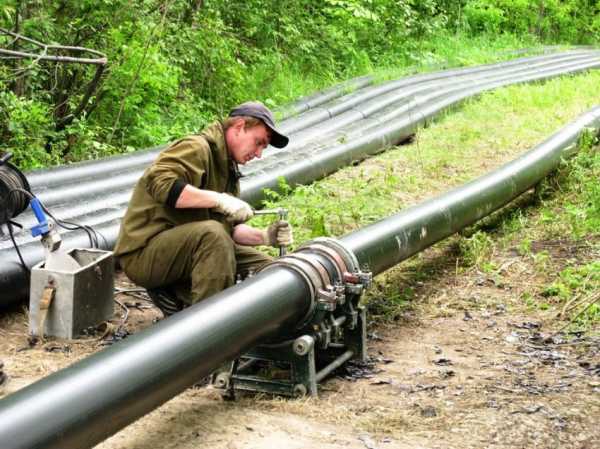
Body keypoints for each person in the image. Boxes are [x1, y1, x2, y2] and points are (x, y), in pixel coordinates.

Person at [114, 102, 293, 315]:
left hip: (188, 248)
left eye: (263, 147)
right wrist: (218, 199)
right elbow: (161, 183)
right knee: (213, 235)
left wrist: (265, 237)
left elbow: (229, 230)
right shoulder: (196, 147)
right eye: (258, 143)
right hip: (144, 253)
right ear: (238, 127)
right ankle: (206, 333)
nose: (259, 154)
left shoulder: (227, 168)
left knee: (273, 270)